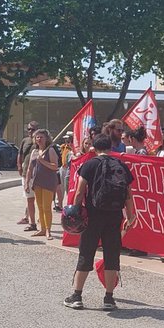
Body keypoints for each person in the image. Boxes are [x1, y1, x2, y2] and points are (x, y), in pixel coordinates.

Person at [63, 132, 136, 310]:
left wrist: (75, 212)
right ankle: (109, 298)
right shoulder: (120, 165)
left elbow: (79, 191)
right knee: (111, 255)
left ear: (94, 147)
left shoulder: (89, 164)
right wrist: (130, 215)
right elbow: (128, 194)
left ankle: (77, 296)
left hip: (93, 216)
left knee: (86, 253)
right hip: (114, 216)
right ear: (111, 147)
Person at [25, 128, 59, 239]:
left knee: (46, 207)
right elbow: (30, 168)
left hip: (48, 182)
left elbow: (55, 166)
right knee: (39, 206)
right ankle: (42, 229)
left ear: (46, 138)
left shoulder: (50, 150)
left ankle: (48, 230)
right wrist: (26, 182)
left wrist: (42, 161)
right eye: (37, 137)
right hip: (37, 182)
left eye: (41, 137)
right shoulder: (34, 151)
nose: (39, 139)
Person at [17, 121, 39, 230]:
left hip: (38, 174)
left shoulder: (40, 141)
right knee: (29, 197)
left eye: (33, 129)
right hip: (26, 172)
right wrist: (19, 166)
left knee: (38, 198)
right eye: (29, 129)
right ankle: (28, 218)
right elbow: (20, 154)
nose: (30, 131)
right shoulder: (25, 141)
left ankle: (37, 218)